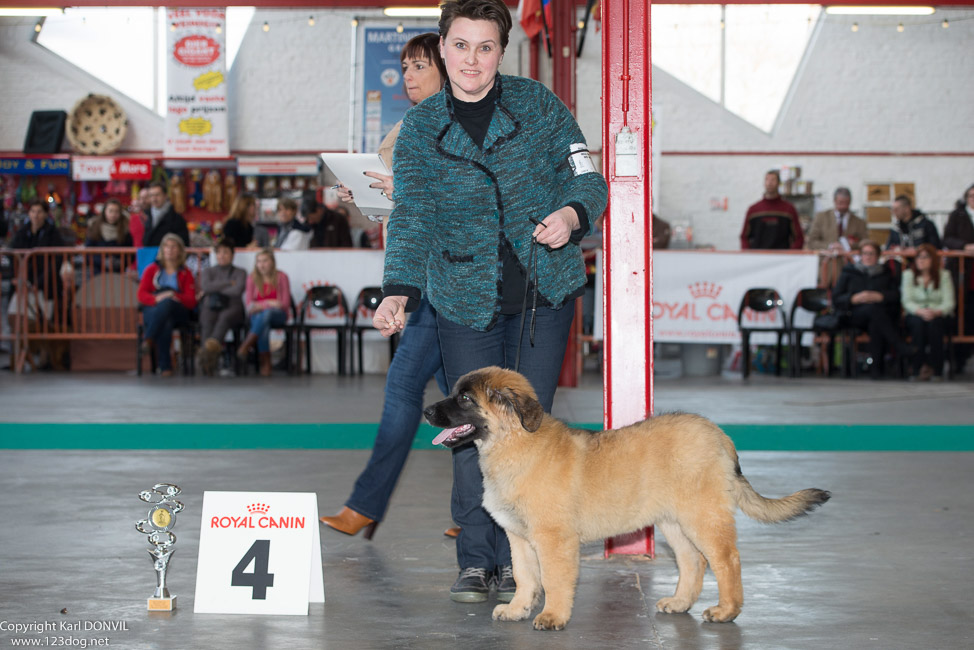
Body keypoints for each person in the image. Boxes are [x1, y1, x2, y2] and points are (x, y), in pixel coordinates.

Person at [373, 0, 608, 605]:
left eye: (484, 47)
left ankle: (521, 566)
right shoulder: (423, 128)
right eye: (459, 45)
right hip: (462, 299)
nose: (471, 59)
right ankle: (477, 561)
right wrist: (398, 289)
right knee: (471, 429)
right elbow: (413, 216)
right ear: (443, 47)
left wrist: (571, 213)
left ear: (501, 51)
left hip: (541, 295)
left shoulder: (538, 105)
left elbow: (588, 177)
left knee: (530, 432)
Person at [320, 32, 452, 543]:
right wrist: (364, 193)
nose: (408, 75)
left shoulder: (451, 122)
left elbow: (457, 199)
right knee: (464, 403)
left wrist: (409, 190)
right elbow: (399, 205)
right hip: (416, 273)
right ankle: (477, 515)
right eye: (404, 65)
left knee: (405, 391)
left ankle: (365, 506)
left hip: (439, 278)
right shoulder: (407, 124)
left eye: (419, 65)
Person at [833, 241, 908, 380]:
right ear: (860, 255)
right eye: (864, 253)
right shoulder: (849, 272)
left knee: (876, 321)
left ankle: (876, 370)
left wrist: (881, 296)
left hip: (878, 317)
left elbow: (896, 295)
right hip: (853, 315)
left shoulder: (885, 273)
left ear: (877, 256)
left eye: (871, 254)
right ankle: (898, 346)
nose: (867, 257)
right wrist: (854, 298)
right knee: (876, 312)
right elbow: (836, 297)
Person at [137, 233, 197, 377]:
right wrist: (158, 299)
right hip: (155, 306)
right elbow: (141, 294)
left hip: (178, 308)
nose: (170, 250)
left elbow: (191, 300)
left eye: (173, 247)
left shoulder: (185, 272)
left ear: (180, 251)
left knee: (168, 303)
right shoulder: (151, 269)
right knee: (165, 320)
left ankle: (148, 339)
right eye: (166, 246)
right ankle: (165, 368)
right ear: (162, 250)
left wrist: (173, 295)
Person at [901, 244, 955, 381]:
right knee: (918, 325)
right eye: (918, 257)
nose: (921, 260)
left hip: (938, 313)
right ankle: (916, 368)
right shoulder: (908, 275)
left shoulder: (944, 275)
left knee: (934, 325)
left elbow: (949, 302)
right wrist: (920, 311)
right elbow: (906, 301)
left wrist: (936, 312)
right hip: (916, 313)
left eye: (925, 257)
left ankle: (937, 369)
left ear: (933, 259)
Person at [238, 247, 291, 377]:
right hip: (258, 316)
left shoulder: (282, 277)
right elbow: (249, 304)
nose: (261, 264)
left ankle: (248, 345)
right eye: (259, 261)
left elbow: (284, 303)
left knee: (266, 314)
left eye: (265, 261)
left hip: (278, 315)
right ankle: (266, 362)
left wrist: (262, 305)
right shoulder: (252, 278)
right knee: (264, 321)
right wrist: (270, 303)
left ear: (272, 262)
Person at [197, 238, 247, 376]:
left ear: (232, 254)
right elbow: (206, 287)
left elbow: (237, 290)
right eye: (219, 253)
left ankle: (208, 352)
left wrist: (215, 288)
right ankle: (208, 362)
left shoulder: (240, 272)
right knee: (207, 320)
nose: (222, 256)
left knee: (225, 318)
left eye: (225, 252)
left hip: (233, 306)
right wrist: (228, 283)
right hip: (211, 305)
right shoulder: (208, 271)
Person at [942, 183, 974, 372]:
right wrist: (965, 247)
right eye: (971, 195)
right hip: (963, 274)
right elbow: (946, 238)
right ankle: (957, 361)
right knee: (962, 316)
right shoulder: (958, 216)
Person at [740, 170, 804, 250]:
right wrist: (747, 255)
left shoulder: (789, 209)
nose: (770, 183)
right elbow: (744, 237)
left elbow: (799, 237)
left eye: (773, 180)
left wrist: (790, 256)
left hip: (782, 259)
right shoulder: (753, 210)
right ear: (764, 183)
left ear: (778, 183)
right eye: (767, 179)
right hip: (757, 258)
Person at [806, 187, 867, 252]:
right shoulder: (821, 217)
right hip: (826, 260)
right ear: (834, 201)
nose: (844, 206)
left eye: (847, 203)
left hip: (850, 260)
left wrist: (851, 245)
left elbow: (865, 243)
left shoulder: (859, 222)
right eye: (840, 203)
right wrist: (830, 246)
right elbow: (811, 242)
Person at [84, 199, 133, 274]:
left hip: (118, 272)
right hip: (97, 271)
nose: (113, 214)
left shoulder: (126, 230)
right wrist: (102, 261)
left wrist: (120, 262)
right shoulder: (94, 227)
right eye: (110, 211)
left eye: (116, 211)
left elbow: (130, 253)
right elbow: (87, 251)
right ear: (104, 212)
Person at [142, 181, 189, 248]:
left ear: (165, 196)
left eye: (157, 195)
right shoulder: (146, 216)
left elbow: (183, 243)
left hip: (168, 257)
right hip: (150, 256)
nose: (154, 199)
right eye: (151, 195)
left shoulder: (177, 219)